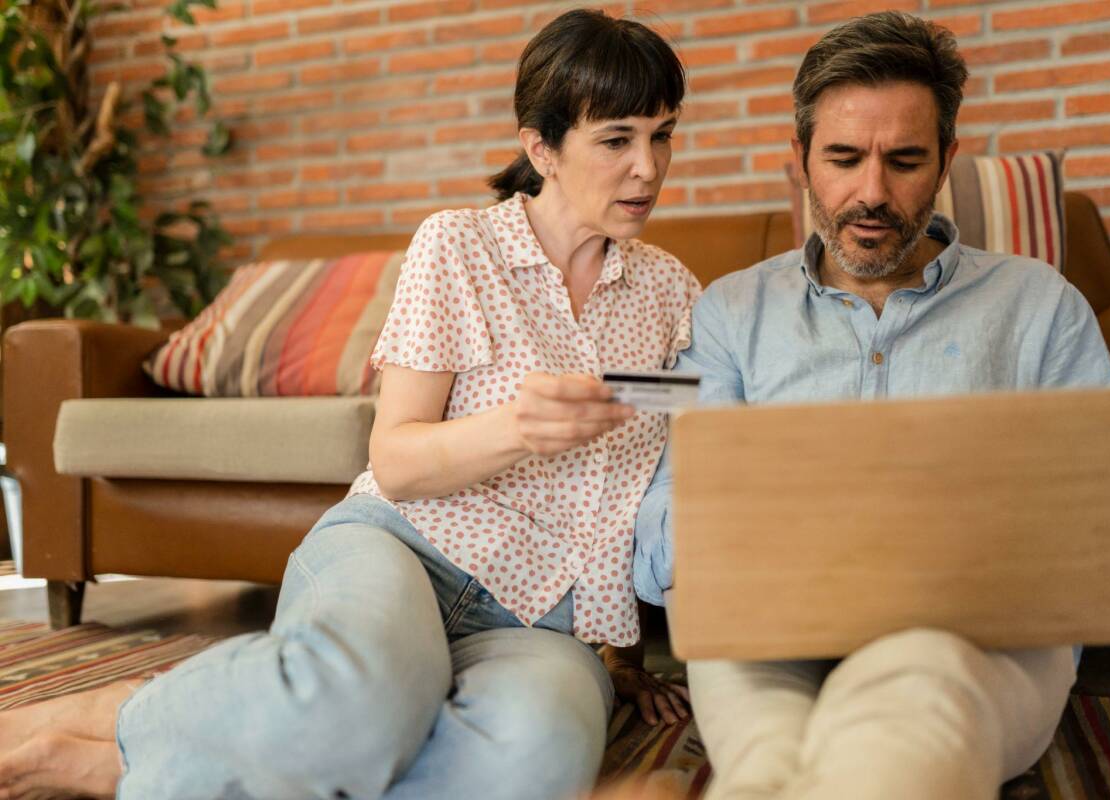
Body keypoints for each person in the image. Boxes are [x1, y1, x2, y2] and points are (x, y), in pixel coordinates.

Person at [0, 9, 696, 799]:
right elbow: (394, 461)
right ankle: (127, 718)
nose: (649, 168)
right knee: (361, 694)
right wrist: (515, 429)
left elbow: (661, 474)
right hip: (404, 552)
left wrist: (624, 656)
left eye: (664, 135)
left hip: (543, 626)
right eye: (618, 139)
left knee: (536, 758)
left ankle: (134, 762)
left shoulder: (672, 294)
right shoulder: (458, 247)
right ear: (542, 148)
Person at [633, 11, 1110, 800]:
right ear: (799, 162)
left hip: (972, 641)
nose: (872, 193)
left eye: (904, 160)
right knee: (762, 769)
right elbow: (660, 521)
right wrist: (750, 535)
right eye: (844, 158)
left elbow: (1105, 519)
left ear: (947, 160)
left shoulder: (1040, 307)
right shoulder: (728, 315)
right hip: (765, 638)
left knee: (902, 725)